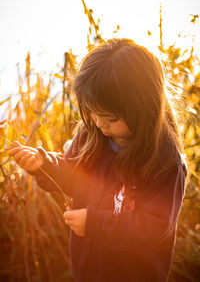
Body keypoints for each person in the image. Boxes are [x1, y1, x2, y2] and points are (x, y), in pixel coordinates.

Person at [10, 38, 188, 282]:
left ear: (144, 109)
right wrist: (45, 166)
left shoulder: (164, 163)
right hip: (89, 271)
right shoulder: (90, 136)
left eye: (110, 118)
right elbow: (74, 178)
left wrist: (95, 224)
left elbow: (153, 228)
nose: (98, 122)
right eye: (91, 111)